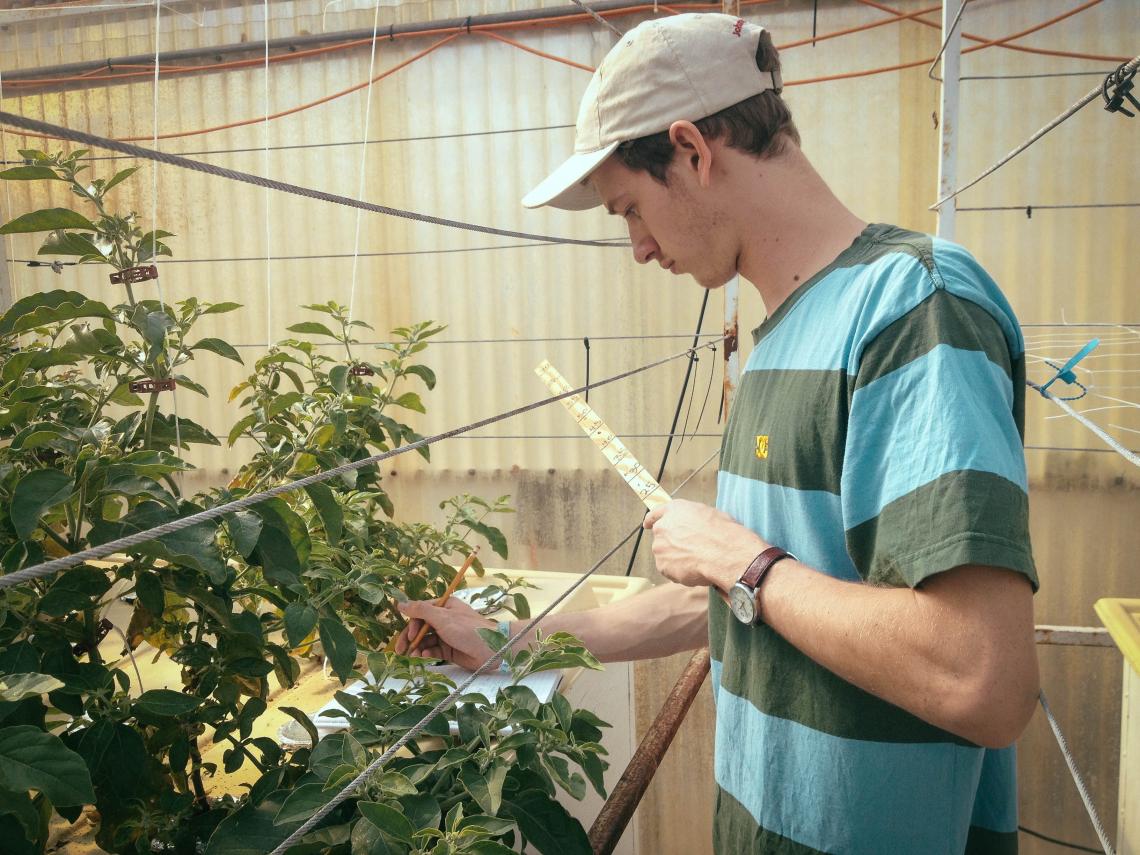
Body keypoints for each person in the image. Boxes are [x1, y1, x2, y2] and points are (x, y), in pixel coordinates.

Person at [397, 13, 1039, 854]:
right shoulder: (782, 341)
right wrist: (510, 644)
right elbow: (742, 604)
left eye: (630, 206)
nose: (635, 247)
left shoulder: (914, 310)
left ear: (694, 150)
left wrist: (740, 558)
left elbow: (981, 679)